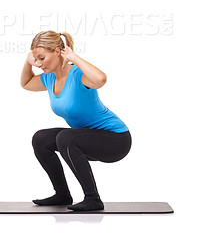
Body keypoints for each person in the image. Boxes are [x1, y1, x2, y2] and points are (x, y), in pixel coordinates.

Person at [20, 30, 132, 211]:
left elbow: (101, 79)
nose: (38, 64)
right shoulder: (49, 78)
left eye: (42, 58)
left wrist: (73, 56)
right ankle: (62, 194)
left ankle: (93, 199)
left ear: (57, 51)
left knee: (65, 137)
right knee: (41, 138)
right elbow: (25, 84)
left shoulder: (78, 74)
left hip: (116, 139)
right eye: (36, 59)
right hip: (85, 139)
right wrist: (28, 61)